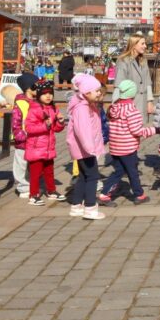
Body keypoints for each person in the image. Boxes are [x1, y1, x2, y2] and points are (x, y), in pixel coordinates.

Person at [99, 79, 157, 205]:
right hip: (128, 148)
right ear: (133, 94)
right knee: (132, 172)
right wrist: (154, 130)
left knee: (119, 171)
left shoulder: (113, 108)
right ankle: (139, 195)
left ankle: (104, 194)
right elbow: (137, 131)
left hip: (115, 148)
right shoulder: (132, 111)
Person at [65, 74, 106, 220]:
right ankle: (90, 207)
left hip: (84, 149)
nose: (99, 93)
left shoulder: (88, 105)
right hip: (85, 149)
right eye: (96, 91)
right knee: (92, 176)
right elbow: (83, 131)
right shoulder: (82, 109)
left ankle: (76, 205)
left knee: (83, 176)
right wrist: (91, 149)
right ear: (86, 92)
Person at [23, 80, 66, 205]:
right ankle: (33, 195)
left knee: (49, 171)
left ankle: (51, 191)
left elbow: (56, 129)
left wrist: (60, 122)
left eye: (50, 93)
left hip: (49, 147)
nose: (48, 96)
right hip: (36, 147)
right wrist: (45, 126)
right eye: (45, 93)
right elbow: (29, 128)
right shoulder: (34, 109)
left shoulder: (53, 108)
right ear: (38, 95)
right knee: (35, 173)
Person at [115, 33, 155, 123]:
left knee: (140, 128)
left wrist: (150, 101)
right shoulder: (123, 61)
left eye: (145, 43)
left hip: (143, 103)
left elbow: (148, 82)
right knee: (130, 128)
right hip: (129, 104)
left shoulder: (143, 60)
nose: (145, 46)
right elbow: (119, 85)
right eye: (142, 44)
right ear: (134, 44)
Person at [11, 73, 39, 199]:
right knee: (21, 164)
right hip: (22, 139)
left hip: (35, 139)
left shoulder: (38, 102)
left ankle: (32, 185)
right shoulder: (20, 103)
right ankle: (23, 186)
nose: (39, 88)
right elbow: (15, 122)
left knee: (32, 164)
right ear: (28, 88)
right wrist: (20, 135)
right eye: (36, 86)